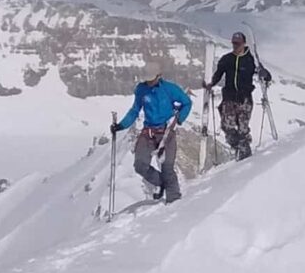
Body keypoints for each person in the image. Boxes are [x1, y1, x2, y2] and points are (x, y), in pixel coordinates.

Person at [111, 59, 192, 203]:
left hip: (167, 131)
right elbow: (135, 110)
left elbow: (186, 102)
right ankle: (161, 183)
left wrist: (180, 119)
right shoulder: (141, 90)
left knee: (167, 167)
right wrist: (121, 125)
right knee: (140, 165)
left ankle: (174, 200)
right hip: (148, 132)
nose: (149, 82)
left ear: (159, 76)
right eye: (147, 79)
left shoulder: (170, 89)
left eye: (152, 79)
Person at [205, 31, 272, 159]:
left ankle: (245, 155)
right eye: (234, 43)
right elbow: (218, 74)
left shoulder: (250, 60)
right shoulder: (226, 59)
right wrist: (211, 83)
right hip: (229, 99)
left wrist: (265, 75)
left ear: (244, 43)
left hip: (244, 99)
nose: (235, 46)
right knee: (227, 126)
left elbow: (265, 74)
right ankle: (239, 148)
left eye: (238, 43)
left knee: (243, 129)